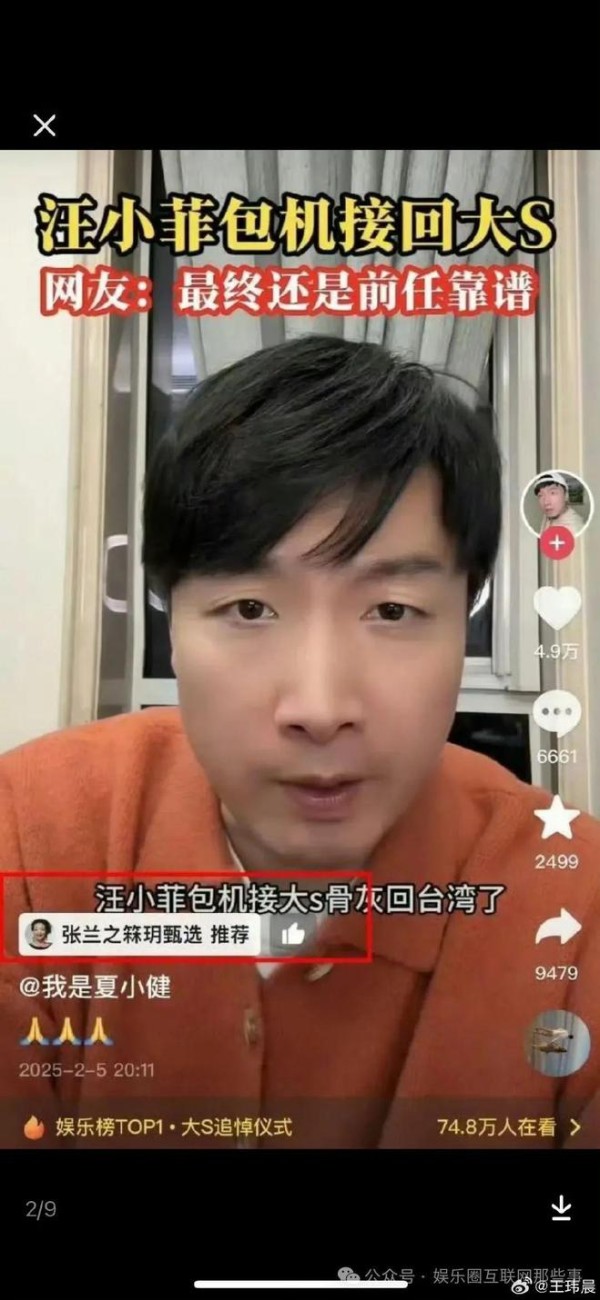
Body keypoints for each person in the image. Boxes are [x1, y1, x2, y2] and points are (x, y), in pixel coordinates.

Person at [1, 334, 600, 1151]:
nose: (319, 709)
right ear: (169, 621)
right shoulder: (32, 839)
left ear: (464, 619)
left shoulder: (573, 907)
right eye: (250, 609)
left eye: (392, 611)